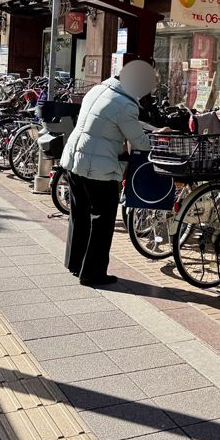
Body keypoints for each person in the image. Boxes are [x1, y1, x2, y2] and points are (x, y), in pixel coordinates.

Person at [60, 60, 155, 286]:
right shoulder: (125, 105)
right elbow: (140, 143)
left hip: (74, 160)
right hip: (99, 169)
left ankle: (75, 263)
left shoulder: (99, 89)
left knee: (79, 214)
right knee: (102, 222)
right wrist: (157, 137)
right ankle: (93, 273)